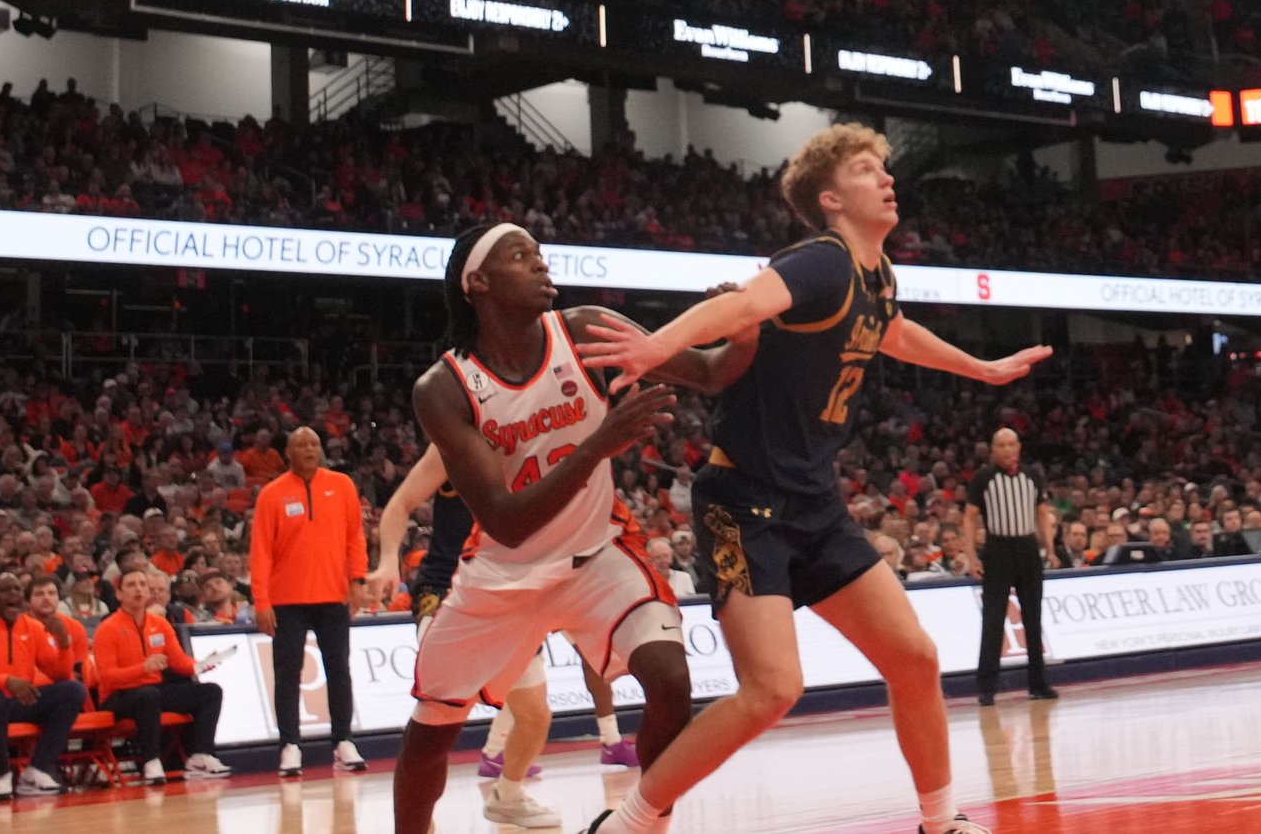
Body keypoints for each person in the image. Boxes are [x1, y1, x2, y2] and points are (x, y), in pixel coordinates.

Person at [581, 123, 1052, 834]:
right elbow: (739, 305)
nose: (887, 178)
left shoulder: (876, 275)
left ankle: (938, 821)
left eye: (885, 167)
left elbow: (893, 331)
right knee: (772, 688)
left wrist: (981, 368)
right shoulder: (821, 261)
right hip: (740, 501)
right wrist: (656, 346)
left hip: (814, 502)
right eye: (868, 170)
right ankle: (629, 820)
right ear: (831, 198)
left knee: (915, 657)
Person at [388, 228, 759, 834]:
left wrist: (742, 330)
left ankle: (639, 825)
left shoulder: (585, 329)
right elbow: (505, 522)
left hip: (597, 553)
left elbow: (712, 372)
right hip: (503, 572)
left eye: (539, 251)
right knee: (433, 729)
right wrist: (597, 446)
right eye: (519, 255)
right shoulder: (444, 388)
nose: (540, 261)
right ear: (476, 283)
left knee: (670, 679)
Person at [373, 441, 562, 827]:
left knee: (535, 715)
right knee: (439, 724)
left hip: (510, 592)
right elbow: (399, 505)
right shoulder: (451, 446)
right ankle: (418, 822)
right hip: (447, 590)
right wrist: (389, 559)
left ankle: (508, 797)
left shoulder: (532, 440)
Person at [251, 425, 368, 776]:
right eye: (300, 444)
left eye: (314, 443)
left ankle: (343, 740)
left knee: (339, 669)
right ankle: (289, 745)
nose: (308, 449)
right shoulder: (271, 494)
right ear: (288, 451)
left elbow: (355, 536)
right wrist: (261, 601)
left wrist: (358, 579)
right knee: (287, 674)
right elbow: (260, 552)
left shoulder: (342, 485)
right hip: (287, 599)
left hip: (334, 594)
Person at [0, 572, 85, 799]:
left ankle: (37, 769)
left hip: (19, 700)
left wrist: (64, 644)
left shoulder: (32, 627)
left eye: (16, 589)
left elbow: (60, 673)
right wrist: (6, 681)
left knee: (73, 690)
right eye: (6, 590)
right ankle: (1, 773)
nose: (13, 594)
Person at [91, 568, 227, 784]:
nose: (139, 589)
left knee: (210, 692)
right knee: (149, 694)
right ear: (119, 594)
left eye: (142, 585)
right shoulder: (107, 628)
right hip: (117, 696)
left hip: (151, 691)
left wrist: (199, 666)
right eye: (131, 585)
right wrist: (143, 668)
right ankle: (151, 761)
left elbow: (179, 662)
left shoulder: (160, 624)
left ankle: (201, 755)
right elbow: (108, 677)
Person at [962, 428, 1058, 708]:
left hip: (1028, 549)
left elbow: (1042, 514)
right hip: (997, 550)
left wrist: (1050, 549)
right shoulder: (983, 478)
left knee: (1033, 617)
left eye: (1011, 444)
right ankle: (987, 688)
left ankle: (1038, 684)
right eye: (1001, 445)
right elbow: (969, 519)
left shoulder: (1032, 475)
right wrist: (971, 556)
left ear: (1019, 447)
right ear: (993, 450)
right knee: (992, 620)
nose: (1007, 450)